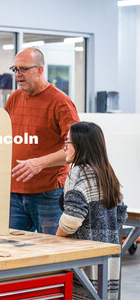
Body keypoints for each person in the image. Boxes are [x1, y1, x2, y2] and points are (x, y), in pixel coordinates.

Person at [0, 47, 79, 235]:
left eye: (24, 69)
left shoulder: (60, 102)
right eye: (15, 69)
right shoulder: (14, 98)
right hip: (14, 192)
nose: (18, 74)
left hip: (48, 193)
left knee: (52, 253)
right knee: (9, 249)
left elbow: (75, 148)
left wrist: (39, 163)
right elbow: (5, 139)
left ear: (40, 70)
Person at [57, 122, 127, 300]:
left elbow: (72, 220)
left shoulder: (78, 174)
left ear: (80, 145)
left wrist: (55, 240)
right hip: (107, 259)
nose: (64, 147)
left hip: (84, 262)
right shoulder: (107, 173)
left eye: (68, 142)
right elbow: (121, 215)